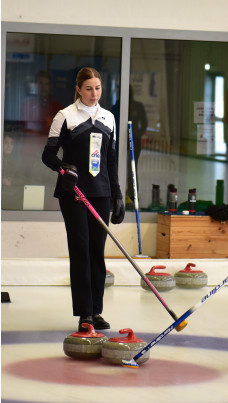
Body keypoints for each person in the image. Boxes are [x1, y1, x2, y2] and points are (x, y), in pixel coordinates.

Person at [42, 67, 125, 331]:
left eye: (98, 88)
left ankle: (96, 311)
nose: (94, 93)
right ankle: (84, 314)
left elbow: (111, 160)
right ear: (78, 89)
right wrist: (64, 169)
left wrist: (117, 194)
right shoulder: (65, 116)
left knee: (96, 253)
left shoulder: (109, 118)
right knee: (80, 251)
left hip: (100, 193)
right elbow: (49, 155)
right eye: (88, 88)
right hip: (74, 193)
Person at [111, 85, 148, 204]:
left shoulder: (138, 106)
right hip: (119, 142)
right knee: (116, 167)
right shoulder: (116, 106)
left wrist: (137, 134)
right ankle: (116, 195)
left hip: (134, 141)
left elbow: (144, 123)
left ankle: (133, 196)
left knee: (132, 167)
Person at [21, 70, 63, 135]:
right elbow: (25, 130)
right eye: (40, 83)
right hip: (31, 143)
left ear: (50, 86)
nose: (43, 87)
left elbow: (60, 133)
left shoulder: (58, 108)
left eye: (46, 84)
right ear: (35, 85)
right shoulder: (27, 106)